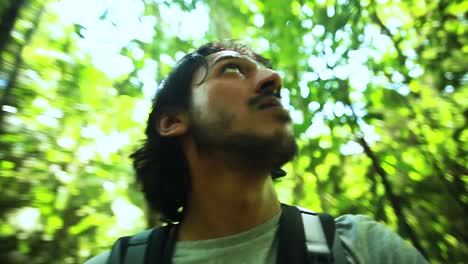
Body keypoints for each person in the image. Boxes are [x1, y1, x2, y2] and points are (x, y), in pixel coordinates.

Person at [86, 41, 427, 263]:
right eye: (232, 69)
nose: (273, 78)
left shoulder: (362, 247)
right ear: (174, 120)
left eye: (266, 70)